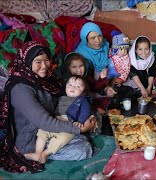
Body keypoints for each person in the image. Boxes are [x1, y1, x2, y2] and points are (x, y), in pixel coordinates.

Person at [0, 41, 97, 173]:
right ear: (27, 62)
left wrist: (85, 117)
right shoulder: (20, 89)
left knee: (95, 120)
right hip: (34, 138)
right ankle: (41, 154)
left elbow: (65, 100)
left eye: (46, 60)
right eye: (38, 62)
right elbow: (44, 122)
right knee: (84, 148)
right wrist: (80, 128)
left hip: (53, 124)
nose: (44, 66)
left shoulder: (45, 80)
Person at [24, 75, 92, 164]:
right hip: (55, 120)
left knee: (63, 138)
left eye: (78, 86)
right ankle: (38, 153)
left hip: (69, 123)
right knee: (42, 131)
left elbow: (85, 112)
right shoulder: (61, 97)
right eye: (70, 84)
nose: (73, 87)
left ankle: (45, 153)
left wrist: (80, 121)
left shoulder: (82, 100)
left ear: (83, 92)